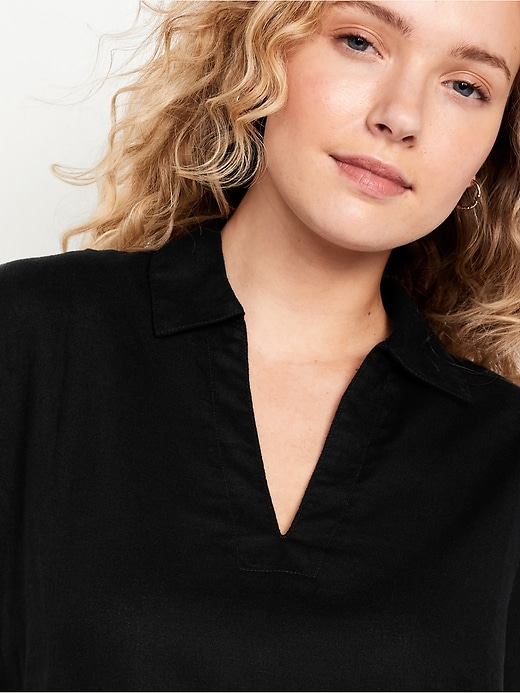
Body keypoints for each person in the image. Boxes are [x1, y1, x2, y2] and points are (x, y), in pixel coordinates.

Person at [2, 0, 520, 690]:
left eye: (466, 86)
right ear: (264, 50)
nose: (401, 116)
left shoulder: (504, 454)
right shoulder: (33, 339)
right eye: (360, 42)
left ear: (491, 151)